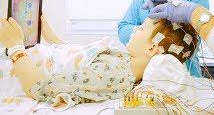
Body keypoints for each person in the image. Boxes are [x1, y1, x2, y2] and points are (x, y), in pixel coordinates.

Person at [0, 17, 198, 110]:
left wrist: (15, 47)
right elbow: (80, 59)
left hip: (16, 67)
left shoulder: (114, 76)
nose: (135, 29)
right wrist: (51, 36)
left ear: (152, 50)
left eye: (142, 28)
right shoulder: (123, 60)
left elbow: (40, 87)